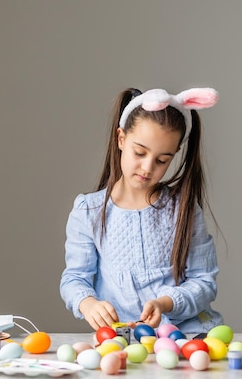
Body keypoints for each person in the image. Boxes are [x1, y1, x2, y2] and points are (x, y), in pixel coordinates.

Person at [59, 87, 223, 334]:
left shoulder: (184, 210)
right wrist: (88, 303)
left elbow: (204, 281)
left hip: (188, 335)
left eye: (162, 160)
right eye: (140, 152)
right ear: (121, 139)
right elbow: (74, 278)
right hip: (124, 339)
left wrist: (164, 303)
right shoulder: (88, 211)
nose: (147, 167)